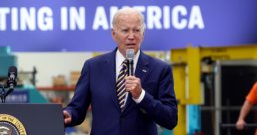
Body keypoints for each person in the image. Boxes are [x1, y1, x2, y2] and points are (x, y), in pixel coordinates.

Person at [63, 7, 178, 135]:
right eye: (125, 30)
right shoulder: (93, 67)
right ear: (114, 34)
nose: (131, 36)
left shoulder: (160, 69)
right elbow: (77, 108)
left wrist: (141, 96)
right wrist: (70, 115)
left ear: (143, 34)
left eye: (136, 30)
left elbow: (171, 119)